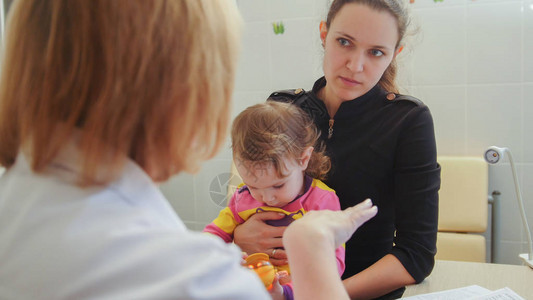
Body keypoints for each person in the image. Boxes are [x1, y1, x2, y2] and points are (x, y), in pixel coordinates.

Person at [0, 1, 379, 299]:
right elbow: (217, 236)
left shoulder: (15, 203)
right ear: (185, 90)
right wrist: (308, 247)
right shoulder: (189, 278)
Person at [233, 0, 441, 299]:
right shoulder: (284, 109)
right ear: (324, 34)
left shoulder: (408, 120)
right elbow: (252, 198)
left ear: (395, 54)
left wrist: (324, 294)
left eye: (376, 52)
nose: (355, 66)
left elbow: (416, 255)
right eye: (345, 42)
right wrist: (240, 235)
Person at [204, 102, 345, 279]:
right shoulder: (243, 197)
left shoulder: (321, 201)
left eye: (278, 185)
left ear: (304, 159)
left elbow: (335, 262)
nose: (267, 198)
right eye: (253, 186)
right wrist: (229, 253)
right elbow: (212, 236)